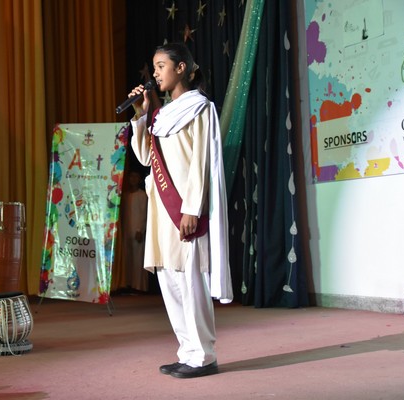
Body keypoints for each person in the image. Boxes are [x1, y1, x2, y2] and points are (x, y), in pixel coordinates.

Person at [128, 42, 233, 379]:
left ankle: (204, 355)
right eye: (154, 67)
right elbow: (146, 158)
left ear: (182, 68)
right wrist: (141, 114)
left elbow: (201, 161)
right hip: (161, 209)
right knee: (169, 279)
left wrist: (192, 209)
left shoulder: (200, 108)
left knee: (191, 281)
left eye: (161, 66)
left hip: (184, 208)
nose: (155, 73)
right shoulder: (161, 115)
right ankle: (187, 351)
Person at [122, 170, 149, 292]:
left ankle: (139, 286)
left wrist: (140, 230)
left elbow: (144, 213)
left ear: (140, 180)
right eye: (131, 176)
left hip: (137, 230)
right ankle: (128, 284)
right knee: (128, 258)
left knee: (138, 258)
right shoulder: (126, 195)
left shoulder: (142, 195)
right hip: (126, 229)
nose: (133, 179)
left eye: (136, 176)